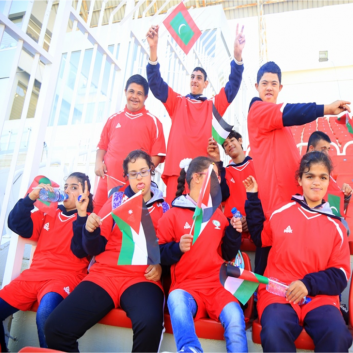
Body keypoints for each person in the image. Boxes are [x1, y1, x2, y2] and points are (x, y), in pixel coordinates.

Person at [45, 150, 169, 353]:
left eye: (143, 171)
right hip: (104, 275)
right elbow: (93, 247)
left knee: (150, 323)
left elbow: (170, 249)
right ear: (126, 177)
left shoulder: (165, 208)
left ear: (151, 172)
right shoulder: (116, 201)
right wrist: (90, 229)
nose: (139, 177)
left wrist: (161, 266)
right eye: (133, 173)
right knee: (55, 328)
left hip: (142, 278)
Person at [243, 151, 352, 353]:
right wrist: (252, 198)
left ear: (329, 182)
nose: (316, 182)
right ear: (300, 179)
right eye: (310, 176)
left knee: (337, 335)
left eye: (323, 177)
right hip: (278, 292)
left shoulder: (337, 225)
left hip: (320, 298)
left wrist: (307, 284)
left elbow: (340, 275)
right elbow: (259, 238)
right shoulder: (281, 213)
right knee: (274, 331)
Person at [146, 24, 246, 205]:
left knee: (199, 226)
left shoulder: (213, 105)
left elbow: (232, 87)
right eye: (192, 76)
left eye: (199, 77)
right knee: (173, 224)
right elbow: (156, 84)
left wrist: (237, 57)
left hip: (203, 174)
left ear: (206, 83)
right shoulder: (177, 102)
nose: (195, 80)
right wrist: (153, 50)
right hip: (177, 173)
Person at [157, 157, 247, 353]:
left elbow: (226, 253)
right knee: (176, 299)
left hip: (217, 287)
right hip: (187, 288)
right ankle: (190, 349)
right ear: (197, 178)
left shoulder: (217, 214)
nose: (219, 181)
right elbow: (158, 255)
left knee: (235, 318)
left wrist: (233, 232)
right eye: (214, 175)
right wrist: (177, 248)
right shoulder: (172, 215)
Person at [247, 61, 351, 220]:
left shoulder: (282, 125)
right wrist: (327, 109)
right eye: (264, 83)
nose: (269, 87)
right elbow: (292, 112)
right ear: (256, 86)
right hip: (280, 208)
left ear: (280, 88)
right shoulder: (257, 109)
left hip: (295, 203)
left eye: (274, 84)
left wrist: (342, 195)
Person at [0, 172, 93, 351]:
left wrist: (82, 214)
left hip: (64, 278)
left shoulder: (88, 219)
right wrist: (30, 198)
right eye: (66, 186)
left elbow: (84, 248)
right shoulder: (48, 214)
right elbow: (16, 224)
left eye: (74, 187)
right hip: (33, 276)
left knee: (45, 313)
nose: (66, 190)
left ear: (85, 193)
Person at [94, 74, 166, 213]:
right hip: (107, 180)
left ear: (146, 97)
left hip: (134, 185)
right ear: (125, 92)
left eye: (139, 93)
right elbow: (102, 145)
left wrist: (139, 175)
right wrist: (98, 162)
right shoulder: (113, 119)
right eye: (131, 91)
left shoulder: (154, 122)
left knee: (127, 225)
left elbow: (157, 155)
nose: (134, 96)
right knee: (98, 220)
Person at [207, 131, 270, 275]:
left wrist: (252, 219)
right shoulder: (225, 171)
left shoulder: (257, 164)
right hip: (234, 228)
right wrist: (217, 160)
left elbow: (266, 196)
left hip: (257, 224)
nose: (229, 145)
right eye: (225, 145)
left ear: (240, 141)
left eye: (232, 140)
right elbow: (221, 195)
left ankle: (259, 290)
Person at [307, 131, 352, 211]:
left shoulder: (325, 170)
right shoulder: (300, 170)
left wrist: (345, 195)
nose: (327, 154)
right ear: (311, 149)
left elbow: (336, 203)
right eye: (323, 149)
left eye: (328, 149)